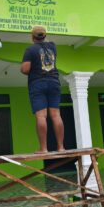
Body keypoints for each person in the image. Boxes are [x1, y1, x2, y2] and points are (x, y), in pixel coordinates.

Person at [21, 25, 65, 154]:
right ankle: (61, 147)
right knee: (56, 115)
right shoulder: (53, 47)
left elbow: (25, 69)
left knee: (41, 116)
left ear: (32, 37)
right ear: (45, 36)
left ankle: (44, 148)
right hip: (54, 82)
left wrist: (23, 67)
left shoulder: (30, 50)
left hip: (38, 83)